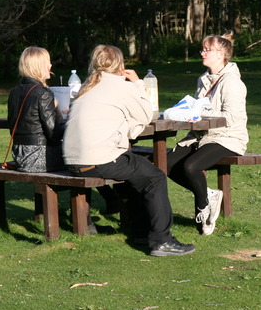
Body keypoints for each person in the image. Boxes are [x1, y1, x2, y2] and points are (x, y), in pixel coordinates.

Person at [63, 45, 195, 256]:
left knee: (133, 173)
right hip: (100, 158)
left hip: (73, 160)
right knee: (154, 177)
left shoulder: (87, 85)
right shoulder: (120, 87)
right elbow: (147, 114)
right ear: (121, 65)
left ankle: (142, 232)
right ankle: (162, 240)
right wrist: (138, 83)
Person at [167, 33, 248, 235]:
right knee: (164, 163)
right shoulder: (203, 80)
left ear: (220, 54)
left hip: (227, 137)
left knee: (191, 166)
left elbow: (231, 118)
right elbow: (198, 109)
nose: (202, 53)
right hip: (200, 137)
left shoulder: (232, 82)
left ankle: (203, 208)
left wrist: (197, 112)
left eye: (206, 49)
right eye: (202, 49)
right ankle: (209, 195)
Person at [7, 46, 65, 173]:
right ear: (39, 66)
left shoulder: (14, 91)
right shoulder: (43, 93)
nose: (50, 65)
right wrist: (65, 120)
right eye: (47, 62)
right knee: (83, 160)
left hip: (19, 155)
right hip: (38, 157)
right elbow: (54, 134)